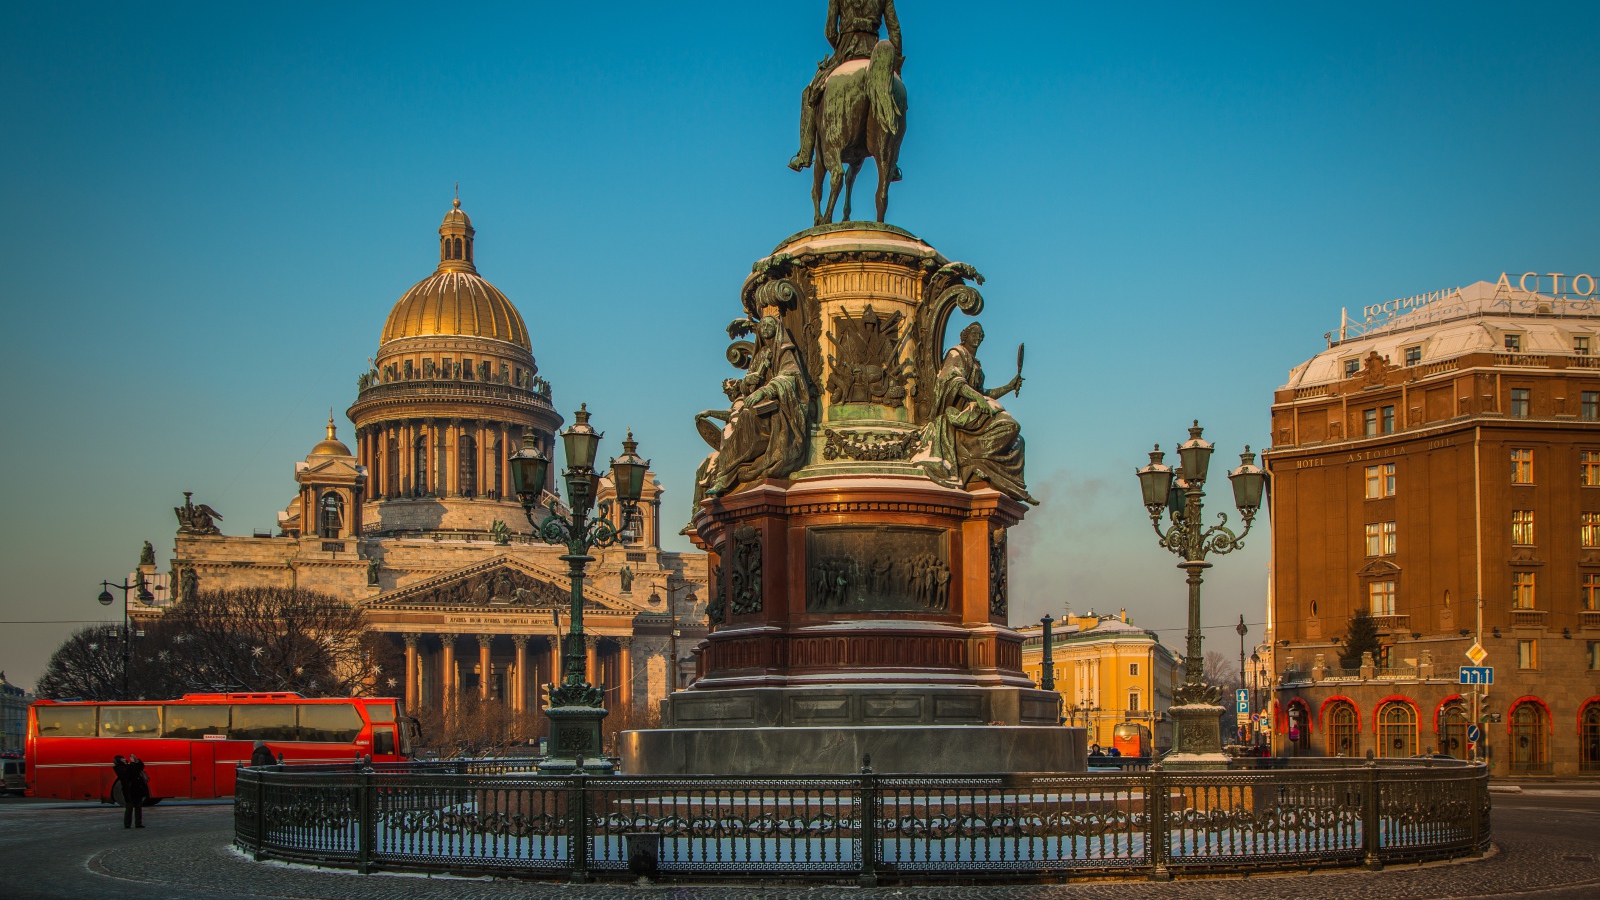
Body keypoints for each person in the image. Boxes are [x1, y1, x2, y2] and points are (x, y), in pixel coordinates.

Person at [112, 754, 147, 828]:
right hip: (129, 791)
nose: (124, 759)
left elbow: (140, 767)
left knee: (138, 807)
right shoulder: (119, 768)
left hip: (136, 789)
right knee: (129, 808)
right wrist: (133, 763)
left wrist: (137, 761)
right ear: (119, 761)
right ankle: (127, 824)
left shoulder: (128, 766)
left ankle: (138, 823)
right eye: (122, 759)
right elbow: (129, 772)